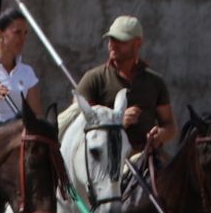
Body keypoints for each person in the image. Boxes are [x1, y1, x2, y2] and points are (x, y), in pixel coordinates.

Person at [75, 15, 176, 155]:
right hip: (107, 160)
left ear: (137, 44)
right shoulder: (94, 79)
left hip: (148, 158)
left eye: (120, 40)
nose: (112, 44)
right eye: (111, 39)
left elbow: (170, 126)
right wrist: (118, 122)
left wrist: (160, 134)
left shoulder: (155, 82)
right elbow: (77, 124)